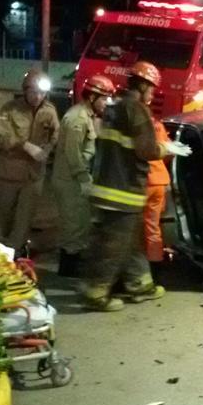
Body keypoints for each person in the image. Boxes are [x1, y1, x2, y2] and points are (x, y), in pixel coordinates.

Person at [84, 61, 191, 312]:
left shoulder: (114, 107)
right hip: (124, 190)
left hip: (106, 185)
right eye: (152, 89)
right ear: (142, 85)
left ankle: (139, 283)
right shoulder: (137, 110)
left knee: (129, 239)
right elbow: (146, 150)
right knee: (114, 243)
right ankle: (97, 291)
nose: (153, 94)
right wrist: (167, 147)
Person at [52, 74, 114, 277]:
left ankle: (73, 263)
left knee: (80, 223)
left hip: (75, 179)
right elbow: (73, 154)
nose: (106, 103)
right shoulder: (77, 119)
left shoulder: (87, 116)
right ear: (91, 97)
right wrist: (83, 179)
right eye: (104, 98)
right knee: (74, 225)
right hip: (70, 181)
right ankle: (68, 269)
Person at [0, 68, 60, 253]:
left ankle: (15, 251)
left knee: (25, 216)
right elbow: (3, 137)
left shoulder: (49, 110)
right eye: (33, 92)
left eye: (41, 92)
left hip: (34, 174)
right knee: (5, 215)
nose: (37, 96)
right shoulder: (9, 109)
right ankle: (10, 240)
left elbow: (56, 134)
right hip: (9, 171)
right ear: (25, 90)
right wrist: (25, 145)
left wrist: (47, 149)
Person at [143, 118, 171, 264]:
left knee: (134, 226)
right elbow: (169, 150)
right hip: (160, 180)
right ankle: (155, 263)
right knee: (153, 226)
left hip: (144, 181)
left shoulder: (135, 124)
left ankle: (139, 265)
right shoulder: (158, 125)